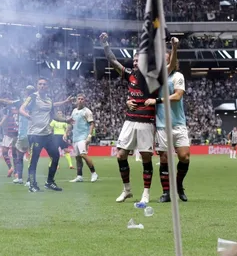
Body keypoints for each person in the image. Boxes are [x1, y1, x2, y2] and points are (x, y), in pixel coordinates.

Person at [100, 32, 178, 204]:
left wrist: (173, 48)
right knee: (120, 155)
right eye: (134, 60)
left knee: (146, 157)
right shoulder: (130, 75)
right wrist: (106, 45)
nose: (135, 63)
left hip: (146, 123)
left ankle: (146, 193)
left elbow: (170, 67)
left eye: (138, 60)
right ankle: (126, 190)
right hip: (129, 121)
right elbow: (113, 61)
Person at [19, 78, 73, 192]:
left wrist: (66, 120)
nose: (42, 86)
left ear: (47, 86)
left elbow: (53, 116)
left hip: (48, 134)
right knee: (34, 159)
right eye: (40, 84)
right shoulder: (33, 97)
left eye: (44, 84)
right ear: (37, 86)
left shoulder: (49, 100)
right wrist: (27, 115)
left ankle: (49, 182)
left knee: (56, 156)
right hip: (35, 134)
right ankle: (32, 185)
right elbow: (21, 109)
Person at [150, 52, 190, 203]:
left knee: (184, 157)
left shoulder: (177, 76)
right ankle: (166, 192)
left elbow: (178, 95)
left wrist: (158, 100)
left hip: (178, 123)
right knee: (164, 158)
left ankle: (178, 185)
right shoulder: (157, 78)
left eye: (168, 59)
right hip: (162, 125)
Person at [0, 86, 35, 184]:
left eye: (29, 91)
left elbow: (50, 105)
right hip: (20, 133)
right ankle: (18, 175)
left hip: (28, 132)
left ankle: (27, 178)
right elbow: (5, 102)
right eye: (27, 91)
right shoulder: (20, 102)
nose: (27, 92)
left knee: (27, 156)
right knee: (18, 155)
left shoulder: (35, 102)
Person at [68, 94, 98, 183]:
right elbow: (70, 123)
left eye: (82, 99)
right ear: (76, 100)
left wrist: (89, 136)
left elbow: (92, 124)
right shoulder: (74, 111)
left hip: (83, 137)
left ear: (84, 101)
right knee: (77, 157)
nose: (80, 100)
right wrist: (66, 133)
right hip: (75, 137)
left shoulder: (87, 111)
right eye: (79, 99)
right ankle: (79, 176)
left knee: (83, 154)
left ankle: (94, 173)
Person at [0, 104, 19, 177]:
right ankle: (16, 173)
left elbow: (4, 118)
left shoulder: (8, 109)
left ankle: (11, 168)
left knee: (5, 152)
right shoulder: (20, 107)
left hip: (9, 134)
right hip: (17, 134)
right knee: (15, 154)